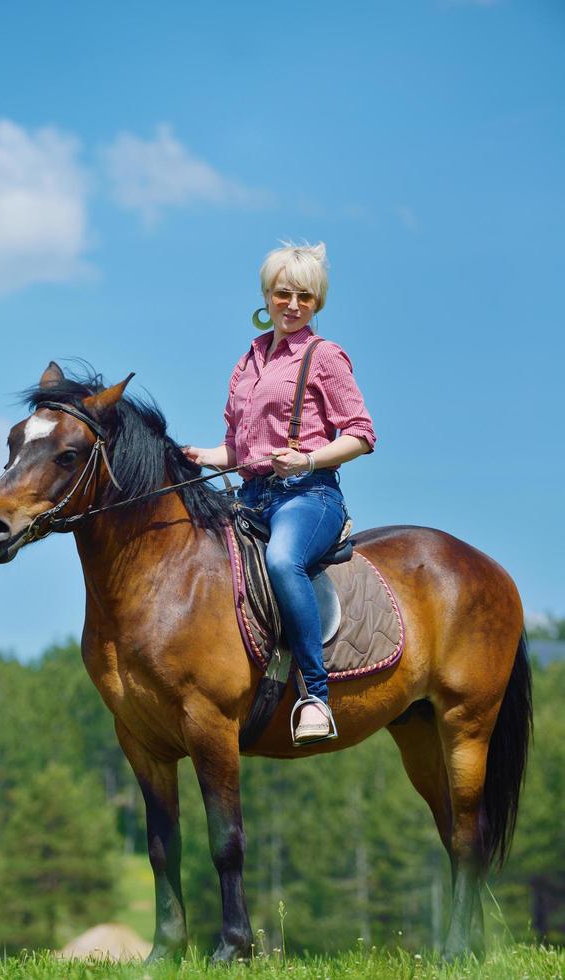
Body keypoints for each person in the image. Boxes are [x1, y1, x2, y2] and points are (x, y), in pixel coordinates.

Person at [185, 242, 376, 743]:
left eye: (304, 297)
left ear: (317, 303)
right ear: (266, 297)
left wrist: (309, 458)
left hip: (309, 496)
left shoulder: (326, 357)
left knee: (281, 560)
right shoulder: (247, 360)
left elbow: (361, 434)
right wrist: (201, 455)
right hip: (251, 496)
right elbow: (238, 447)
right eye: (283, 294)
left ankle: (316, 696)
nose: (292, 305)